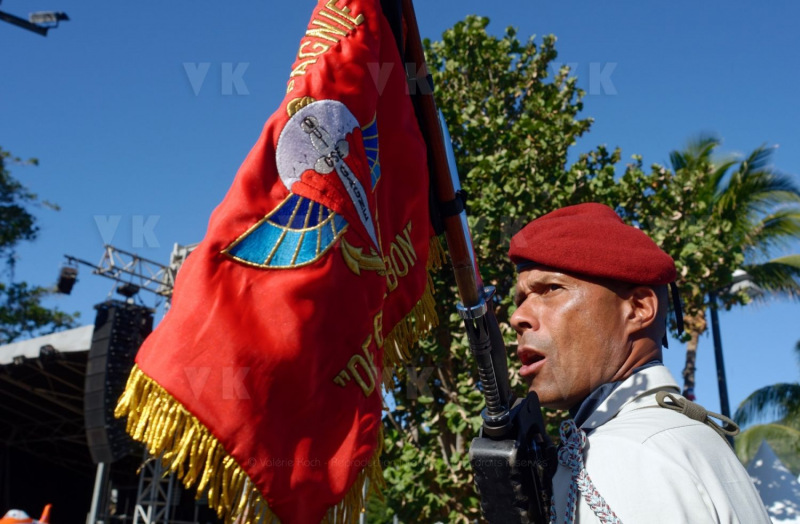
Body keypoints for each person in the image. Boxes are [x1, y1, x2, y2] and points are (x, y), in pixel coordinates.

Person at [507, 202, 770, 523]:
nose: (517, 317)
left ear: (639, 308)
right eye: (521, 300)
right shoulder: (685, 438)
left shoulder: (621, 455)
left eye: (550, 289)